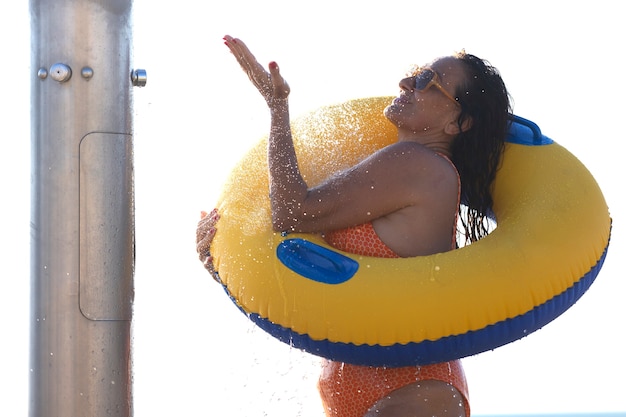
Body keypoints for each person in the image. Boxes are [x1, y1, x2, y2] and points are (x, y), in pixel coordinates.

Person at [197, 35, 511, 417]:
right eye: (414, 74)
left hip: (413, 392)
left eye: (428, 80)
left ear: (458, 122)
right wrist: (227, 261)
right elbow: (297, 282)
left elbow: (292, 212)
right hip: (389, 389)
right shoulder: (406, 171)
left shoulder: (417, 164)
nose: (406, 84)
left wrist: (277, 107)